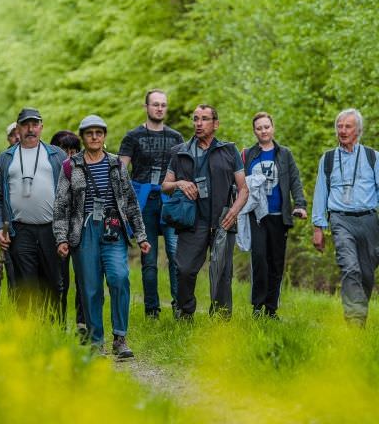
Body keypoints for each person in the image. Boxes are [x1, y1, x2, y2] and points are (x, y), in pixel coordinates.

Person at [53, 115, 151, 357]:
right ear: (83, 137)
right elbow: (61, 206)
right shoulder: (70, 166)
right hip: (83, 232)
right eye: (89, 133)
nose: (94, 137)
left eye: (99, 132)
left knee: (119, 278)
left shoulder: (117, 164)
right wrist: (61, 238)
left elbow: (130, 202)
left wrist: (141, 236)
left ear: (105, 135)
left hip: (113, 229)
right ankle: (96, 341)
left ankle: (120, 338)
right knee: (90, 288)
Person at [162, 104, 248, 319]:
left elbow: (244, 189)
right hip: (192, 221)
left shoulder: (229, 151)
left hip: (222, 220)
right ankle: (186, 312)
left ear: (215, 124)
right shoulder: (179, 152)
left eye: (204, 119)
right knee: (183, 269)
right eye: (195, 119)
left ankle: (220, 318)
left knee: (222, 273)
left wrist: (234, 212)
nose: (198, 123)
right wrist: (180, 183)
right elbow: (165, 185)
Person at [0, 107, 67, 317]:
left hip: (52, 229)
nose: (30, 129)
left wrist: (67, 229)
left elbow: (72, 193)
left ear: (41, 127)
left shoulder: (57, 155)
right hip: (20, 230)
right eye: (25, 124)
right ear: (18, 127)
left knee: (54, 283)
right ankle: (27, 333)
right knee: (25, 285)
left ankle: (54, 330)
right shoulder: (5, 159)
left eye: (34, 124)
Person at [118, 89, 184, 318]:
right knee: (149, 259)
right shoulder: (133, 137)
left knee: (176, 256)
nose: (159, 108)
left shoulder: (176, 138)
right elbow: (120, 171)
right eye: (155, 104)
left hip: (170, 200)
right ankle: (152, 310)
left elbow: (184, 169)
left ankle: (180, 307)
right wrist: (123, 203)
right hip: (143, 202)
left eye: (163, 105)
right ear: (146, 107)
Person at [312, 108, 379, 326]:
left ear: (358, 130)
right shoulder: (328, 159)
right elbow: (320, 193)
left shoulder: (373, 157)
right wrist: (318, 227)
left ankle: (359, 314)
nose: (342, 130)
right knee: (350, 267)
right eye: (339, 126)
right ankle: (355, 321)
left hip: (369, 220)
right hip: (340, 220)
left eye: (347, 126)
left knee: (367, 274)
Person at [242, 112, 307, 319]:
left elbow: (295, 181)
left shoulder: (284, 154)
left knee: (276, 263)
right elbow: (240, 182)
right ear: (255, 131)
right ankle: (257, 307)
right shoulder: (249, 155)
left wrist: (300, 204)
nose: (263, 131)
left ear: (273, 128)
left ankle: (271, 309)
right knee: (260, 259)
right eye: (259, 128)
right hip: (258, 217)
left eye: (266, 127)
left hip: (279, 216)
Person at [50, 130, 86, 333]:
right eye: (65, 151)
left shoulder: (83, 169)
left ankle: (82, 323)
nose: (70, 156)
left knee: (83, 277)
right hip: (58, 231)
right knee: (60, 279)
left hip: (81, 229)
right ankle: (59, 323)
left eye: (74, 151)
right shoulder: (48, 172)